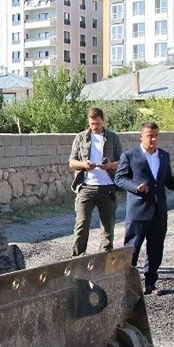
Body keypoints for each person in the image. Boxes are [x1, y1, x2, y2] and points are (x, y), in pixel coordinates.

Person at [114, 122, 174, 295]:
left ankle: (150, 283)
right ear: (141, 137)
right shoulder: (129, 156)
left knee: (156, 249)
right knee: (131, 250)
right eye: (149, 136)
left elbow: (167, 180)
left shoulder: (163, 156)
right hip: (138, 212)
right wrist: (136, 187)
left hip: (159, 211)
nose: (153, 139)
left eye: (156, 135)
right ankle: (126, 285)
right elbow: (120, 179)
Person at [69, 107, 122, 256]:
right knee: (81, 225)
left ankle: (104, 260)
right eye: (92, 123)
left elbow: (122, 162)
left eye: (97, 123)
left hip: (108, 188)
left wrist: (109, 166)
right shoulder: (80, 137)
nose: (94, 126)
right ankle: (77, 258)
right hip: (86, 187)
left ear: (103, 121)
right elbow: (72, 162)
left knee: (108, 227)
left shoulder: (113, 138)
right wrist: (84, 165)